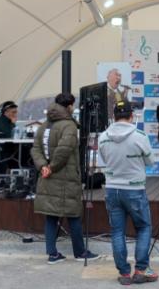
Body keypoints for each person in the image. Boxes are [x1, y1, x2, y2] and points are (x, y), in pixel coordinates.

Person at [31, 93, 100, 265]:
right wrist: (52, 167)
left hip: (47, 176)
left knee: (51, 216)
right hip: (65, 176)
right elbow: (64, 150)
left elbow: (35, 149)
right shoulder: (69, 125)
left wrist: (43, 166)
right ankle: (80, 252)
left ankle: (52, 254)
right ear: (69, 106)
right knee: (74, 214)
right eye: (72, 105)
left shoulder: (44, 125)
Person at [99, 100, 158, 285]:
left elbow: (104, 159)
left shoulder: (103, 137)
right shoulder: (140, 136)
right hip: (134, 189)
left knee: (117, 231)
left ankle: (124, 274)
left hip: (111, 189)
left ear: (114, 116)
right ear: (131, 116)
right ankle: (141, 270)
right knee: (144, 227)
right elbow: (150, 161)